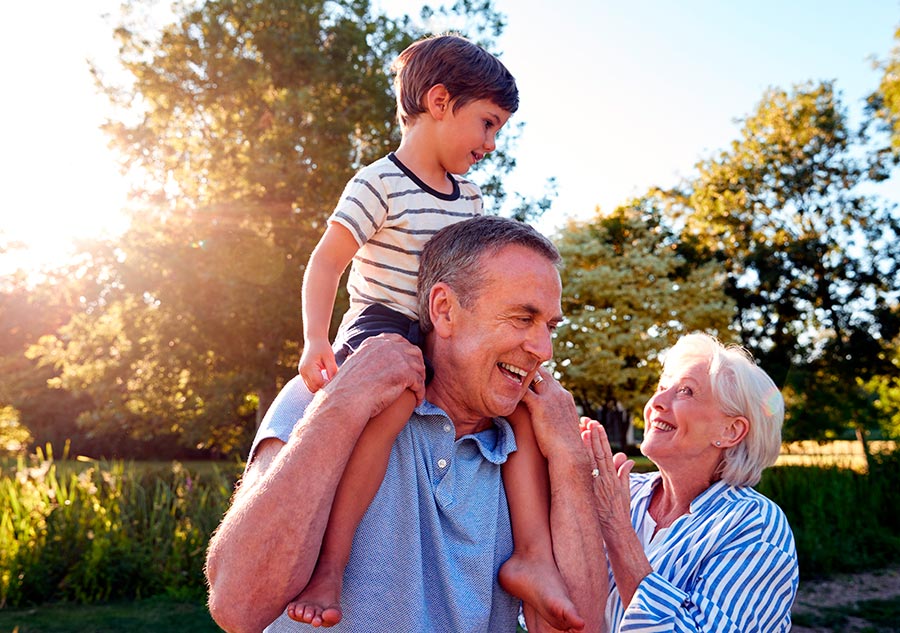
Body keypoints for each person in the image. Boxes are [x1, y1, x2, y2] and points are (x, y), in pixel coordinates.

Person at [287, 34, 576, 628]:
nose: (491, 144)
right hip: (384, 325)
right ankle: (331, 564)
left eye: (498, 131)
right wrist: (317, 339)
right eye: (487, 124)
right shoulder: (379, 184)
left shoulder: (468, 199)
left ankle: (532, 556)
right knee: (395, 403)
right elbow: (326, 262)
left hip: (441, 327)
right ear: (440, 102)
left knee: (520, 402)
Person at [205, 216, 606, 633]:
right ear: (445, 310)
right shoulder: (326, 394)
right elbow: (239, 606)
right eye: (523, 319)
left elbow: (580, 628)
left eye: (550, 326)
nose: (544, 350)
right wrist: (340, 406)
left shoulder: (533, 441)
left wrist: (569, 458)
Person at [582, 332, 799, 632]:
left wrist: (616, 527)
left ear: (730, 430)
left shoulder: (756, 525)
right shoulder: (623, 491)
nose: (656, 401)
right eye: (661, 387)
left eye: (685, 391)